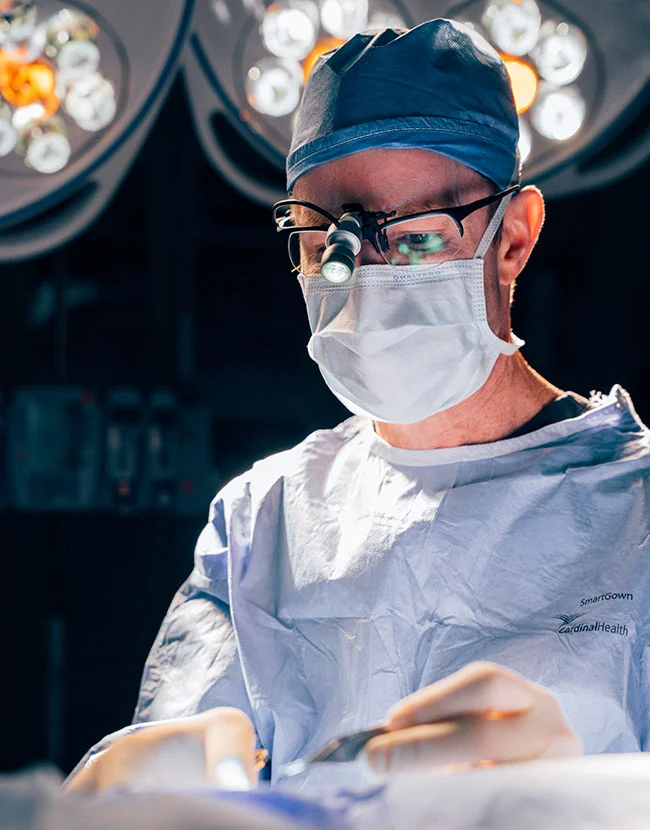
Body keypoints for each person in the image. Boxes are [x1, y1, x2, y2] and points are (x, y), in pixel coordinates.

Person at [68, 19, 650, 793]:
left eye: (411, 240)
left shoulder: (634, 515)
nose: (365, 280)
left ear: (513, 238)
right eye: (326, 245)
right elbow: (164, 781)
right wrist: (117, 789)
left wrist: (600, 798)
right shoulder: (262, 522)